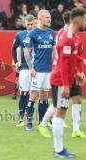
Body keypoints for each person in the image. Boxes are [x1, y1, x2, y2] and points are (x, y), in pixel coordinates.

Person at [51, 8, 86, 158]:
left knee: (62, 112)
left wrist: (77, 72)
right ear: (77, 21)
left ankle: (60, 149)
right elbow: (64, 64)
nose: (85, 22)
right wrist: (66, 84)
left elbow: (71, 60)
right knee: (59, 113)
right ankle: (58, 150)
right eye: (84, 19)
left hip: (67, 80)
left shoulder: (72, 37)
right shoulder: (67, 39)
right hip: (60, 81)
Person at [24, 9, 56, 131]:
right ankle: (29, 123)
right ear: (41, 19)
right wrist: (31, 68)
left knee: (44, 96)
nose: (50, 19)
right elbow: (26, 52)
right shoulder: (32, 33)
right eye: (47, 17)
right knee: (33, 96)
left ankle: (43, 123)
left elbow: (53, 50)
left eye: (50, 17)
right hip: (37, 70)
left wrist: (57, 63)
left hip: (48, 70)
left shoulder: (51, 33)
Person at [11, 15, 35, 127]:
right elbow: (14, 47)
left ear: (35, 23)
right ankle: (22, 119)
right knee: (24, 93)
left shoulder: (40, 34)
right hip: (25, 68)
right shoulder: (20, 35)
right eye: (28, 24)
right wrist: (16, 61)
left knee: (38, 94)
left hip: (37, 68)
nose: (30, 26)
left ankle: (39, 119)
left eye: (32, 24)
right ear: (24, 24)